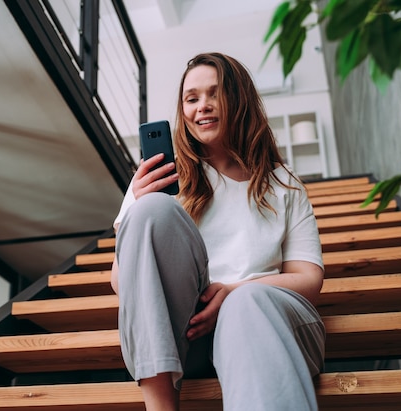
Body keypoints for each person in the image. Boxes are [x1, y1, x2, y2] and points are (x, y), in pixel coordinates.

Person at [110, 52, 326, 411]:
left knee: (245, 303)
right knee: (153, 209)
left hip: (270, 326)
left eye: (215, 94)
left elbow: (308, 279)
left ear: (239, 98)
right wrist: (137, 201)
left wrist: (233, 291)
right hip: (189, 337)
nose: (202, 107)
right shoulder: (158, 180)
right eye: (191, 99)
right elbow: (122, 281)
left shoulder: (284, 183)